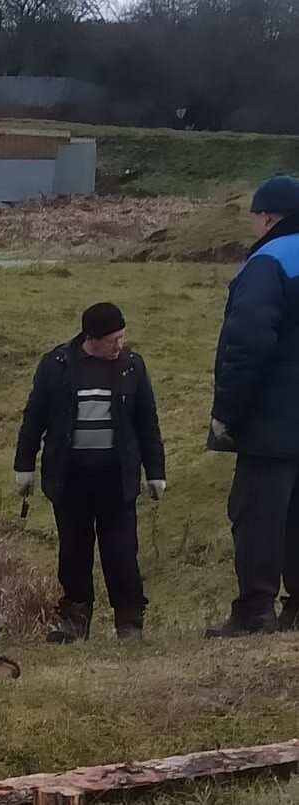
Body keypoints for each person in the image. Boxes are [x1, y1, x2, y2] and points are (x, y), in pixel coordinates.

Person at [14, 303, 166, 643]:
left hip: (116, 479)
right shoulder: (56, 365)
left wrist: (155, 471)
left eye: (122, 337)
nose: (120, 345)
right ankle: (74, 622)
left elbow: (147, 422)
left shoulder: (133, 366)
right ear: (91, 338)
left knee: (121, 552)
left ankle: (129, 623)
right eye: (113, 339)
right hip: (70, 479)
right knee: (73, 550)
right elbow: (34, 417)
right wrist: (24, 465)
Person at [206, 175, 299, 637]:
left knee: (258, 514)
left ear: (267, 217)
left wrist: (227, 411)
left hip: (272, 421)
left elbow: (248, 344)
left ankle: (255, 610)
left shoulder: (269, 261)